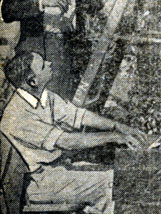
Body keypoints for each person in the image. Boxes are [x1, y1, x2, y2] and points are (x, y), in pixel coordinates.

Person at [0, 51, 146, 213]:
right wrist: (115, 137)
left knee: (112, 177)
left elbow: (79, 115)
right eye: (42, 65)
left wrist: (117, 126)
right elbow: (67, 141)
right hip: (40, 182)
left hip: (57, 170)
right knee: (111, 184)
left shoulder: (44, 96)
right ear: (33, 81)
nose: (49, 63)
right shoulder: (18, 115)